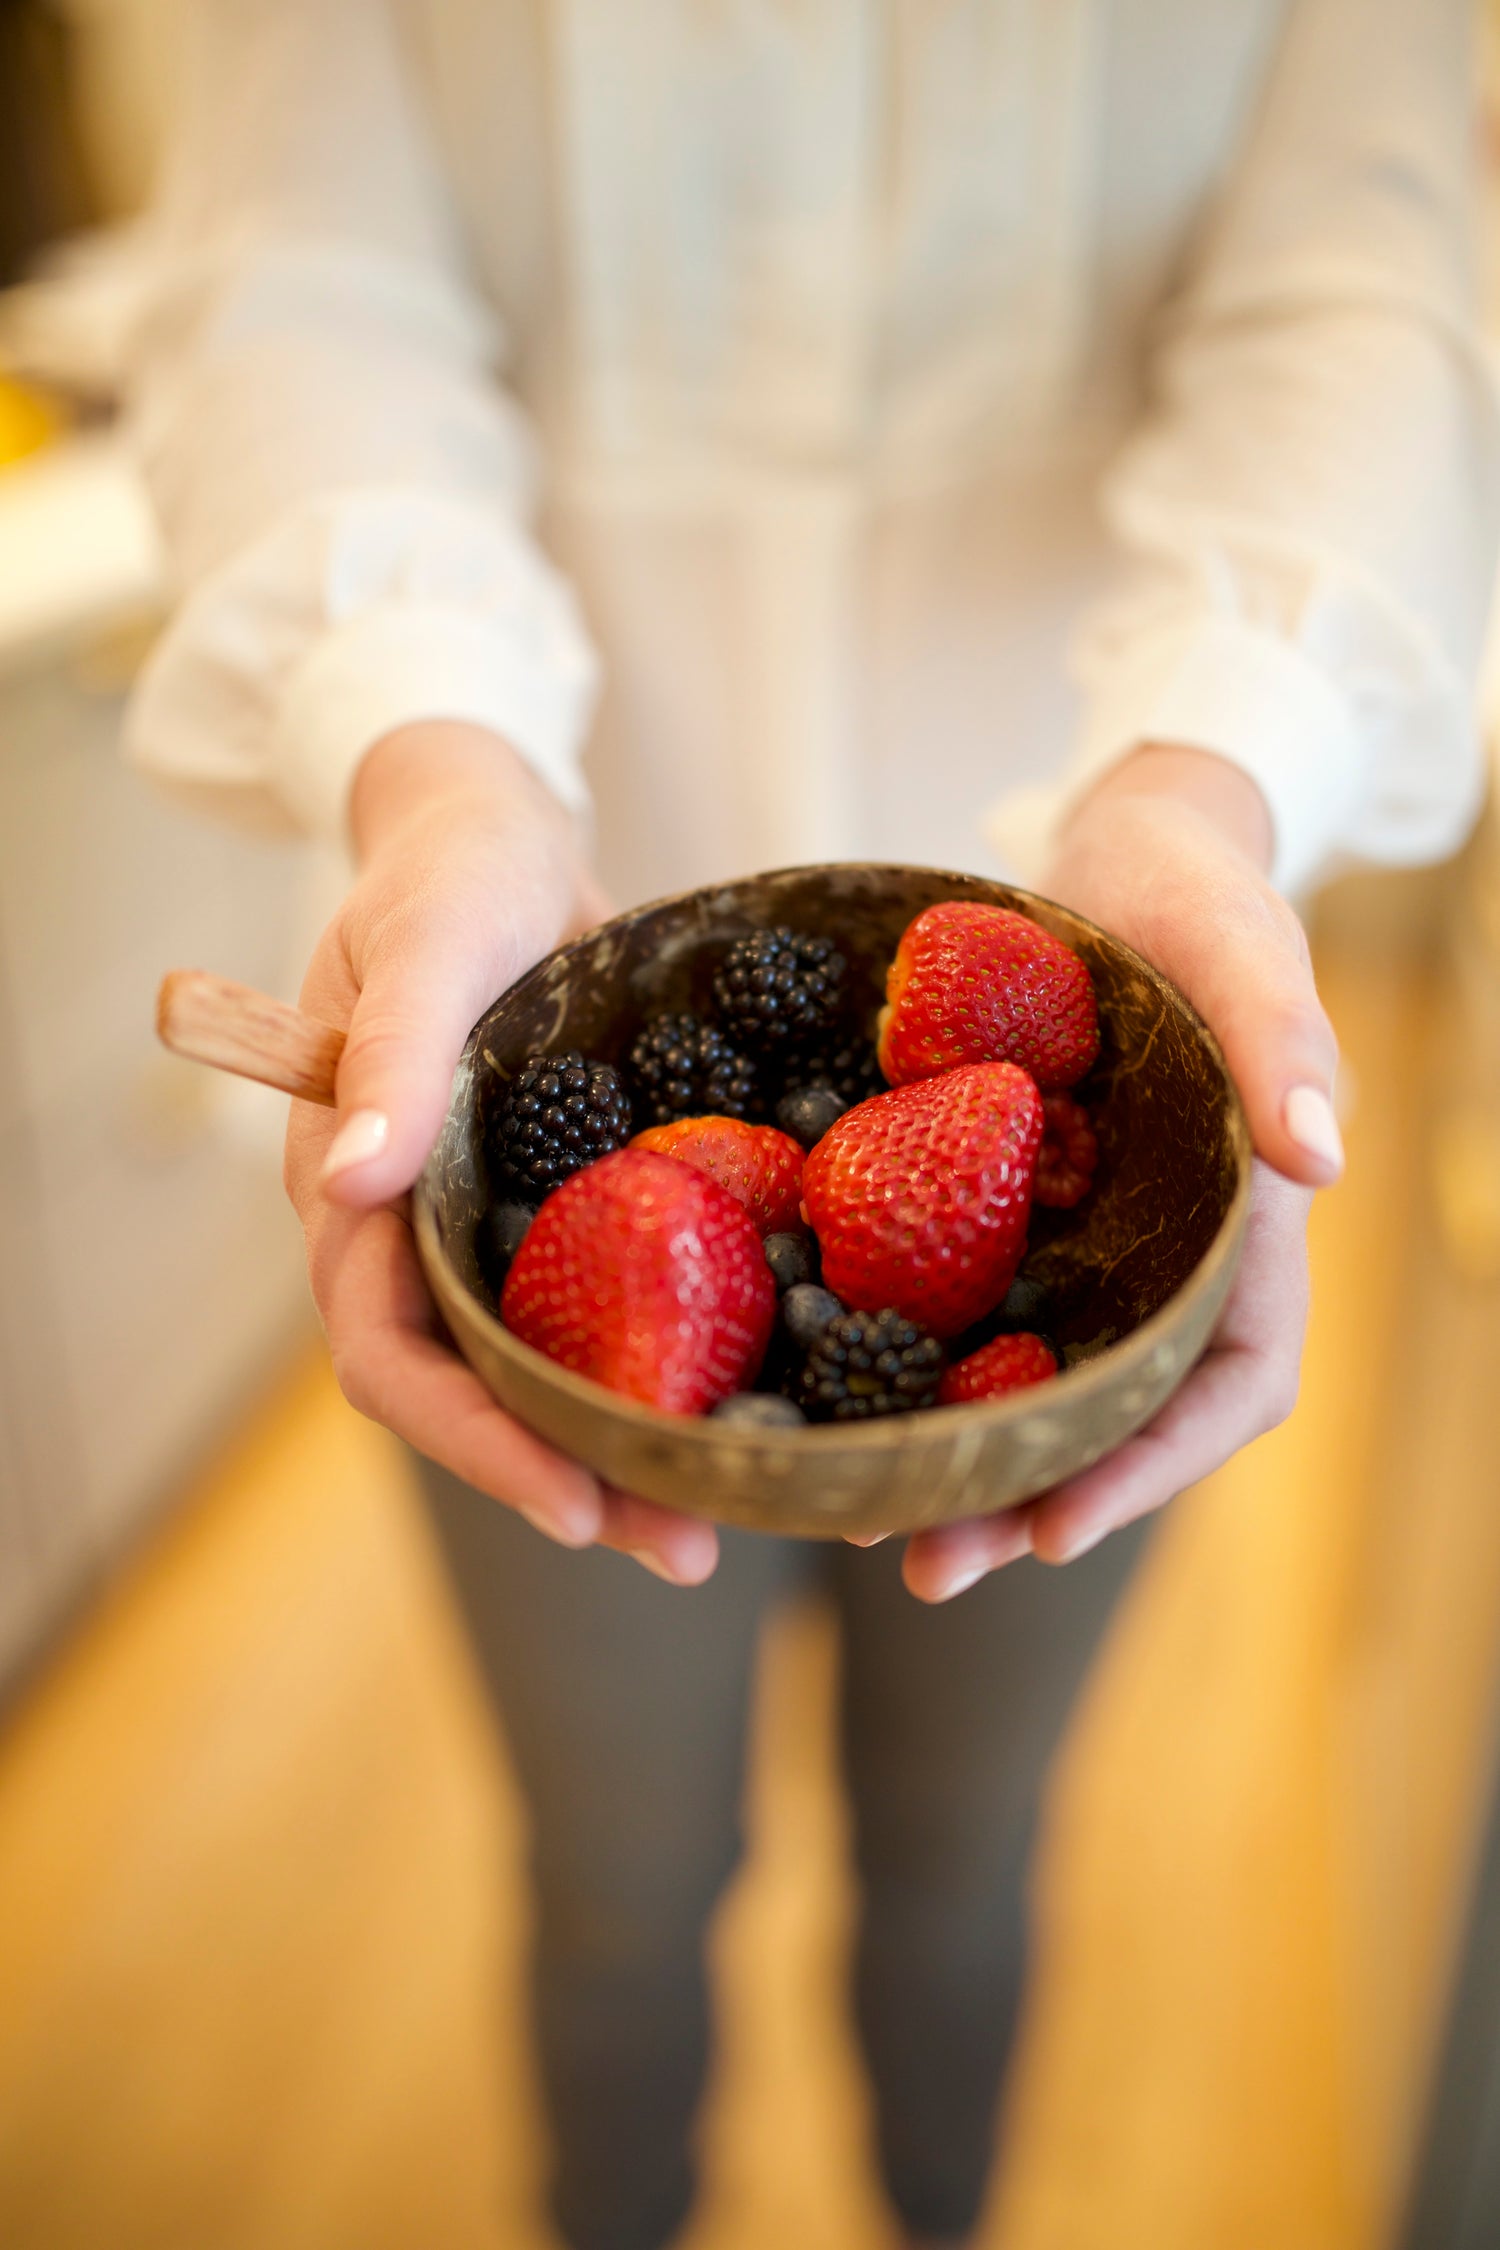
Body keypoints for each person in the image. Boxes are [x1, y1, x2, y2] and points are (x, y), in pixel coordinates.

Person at [120, 3, 1499, 2244]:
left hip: (1082, 945)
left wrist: (1210, 762)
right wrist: (435, 752)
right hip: (513, 986)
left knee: (962, 1865)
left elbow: (1359, 299)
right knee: (611, 1887)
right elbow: (293, 273)